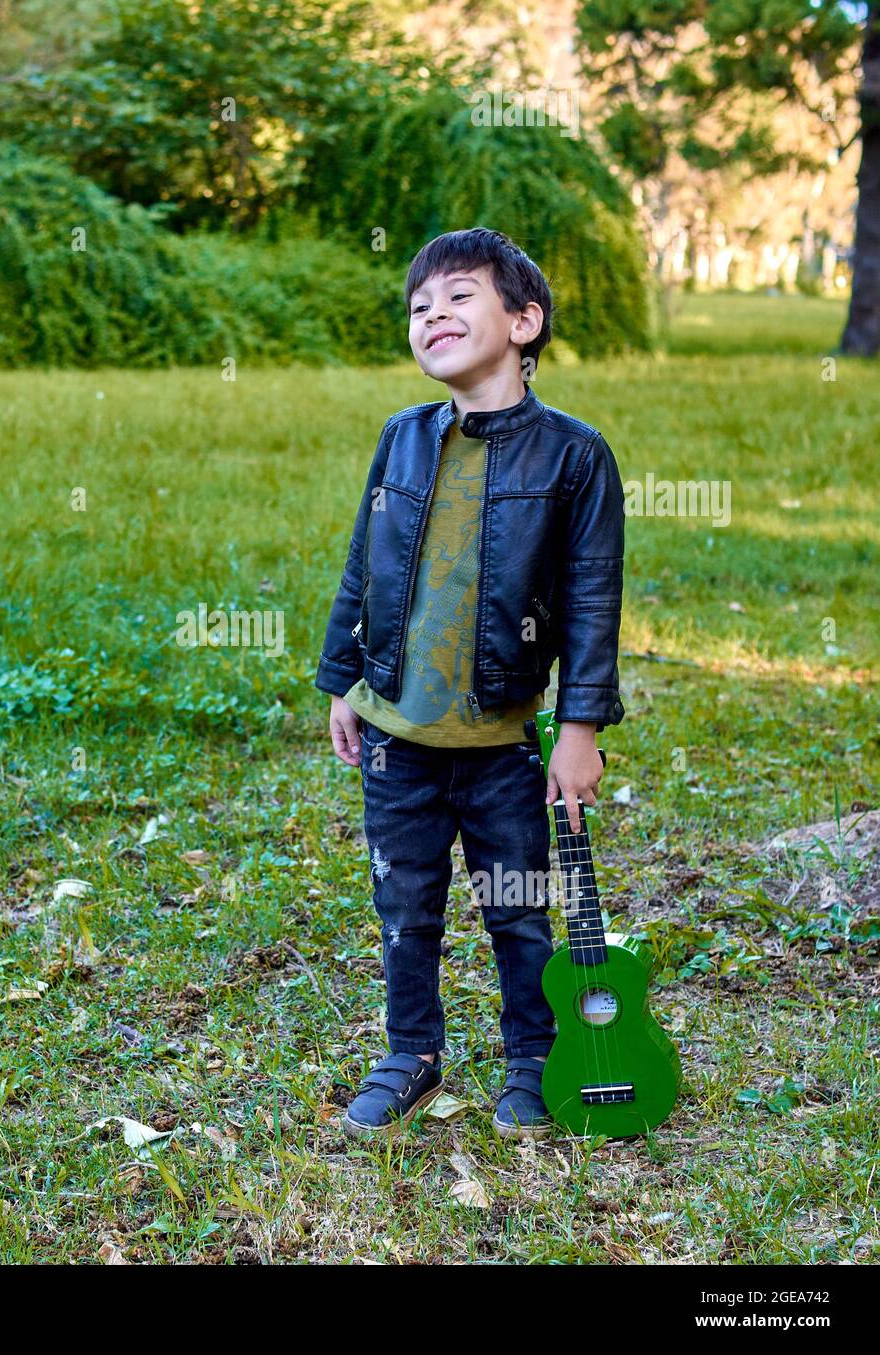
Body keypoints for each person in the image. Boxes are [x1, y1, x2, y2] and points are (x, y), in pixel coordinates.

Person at [316, 227, 626, 1139]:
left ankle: (533, 1055)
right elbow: (361, 568)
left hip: (500, 746)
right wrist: (345, 680)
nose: (433, 316)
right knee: (403, 906)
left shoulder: (573, 455)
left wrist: (580, 727)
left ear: (524, 322)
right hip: (395, 739)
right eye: (419, 307)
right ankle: (409, 1051)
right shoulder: (401, 439)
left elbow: (593, 599)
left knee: (519, 909)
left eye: (459, 298)